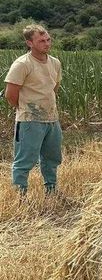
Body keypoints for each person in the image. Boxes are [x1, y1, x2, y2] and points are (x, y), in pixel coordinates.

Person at [4, 24, 63, 195]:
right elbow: (10, 94)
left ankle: (51, 191)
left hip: (52, 119)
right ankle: (19, 196)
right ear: (30, 43)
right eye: (41, 41)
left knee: (52, 159)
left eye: (48, 39)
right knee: (24, 161)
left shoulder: (55, 63)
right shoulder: (22, 64)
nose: (47, 43)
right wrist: (25, 109)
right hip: (30, 120)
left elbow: (54, 88)